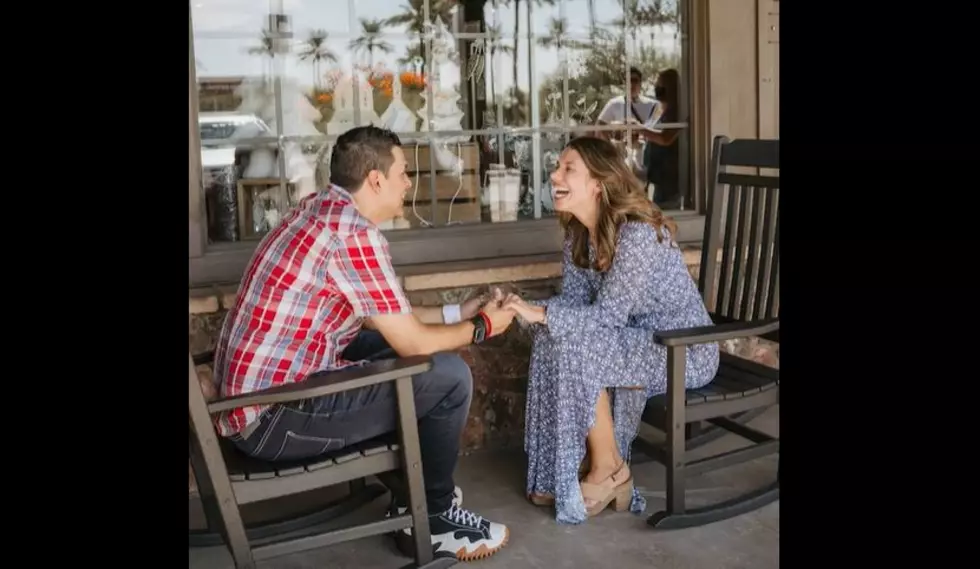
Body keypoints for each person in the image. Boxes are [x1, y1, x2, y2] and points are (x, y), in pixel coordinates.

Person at [211, 125, 514, 561]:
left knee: (392, 352)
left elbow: (383, 316)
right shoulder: (354, 235)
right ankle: (434, 517)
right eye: (404, 172)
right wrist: (484, 326)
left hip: (252, 401)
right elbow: (412, 341)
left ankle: (415, 489)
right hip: (272, 419)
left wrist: (458, 315)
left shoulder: (317, 210)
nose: (409, 182)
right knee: (447, 376)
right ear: (375, 179)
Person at [500, 136, 719, 525]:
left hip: (682, 348)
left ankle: (610, 469)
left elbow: (606, 317)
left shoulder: (636, 234)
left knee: (574, 345)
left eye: (568, 169)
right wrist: (523, 307)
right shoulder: (578, 237)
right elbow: (577, 306)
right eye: (558, 167)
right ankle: (558, 470)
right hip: (631, 340)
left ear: (598, 183)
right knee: (553, 336)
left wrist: (540, 312)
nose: (554, 175)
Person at [643, 68, 682, 207]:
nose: (656, 89)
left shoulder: (678, 112)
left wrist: (639, 129)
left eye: (661, 86)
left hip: (670, 182)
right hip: (657, 179)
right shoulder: (661, 112)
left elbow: (666, 138)